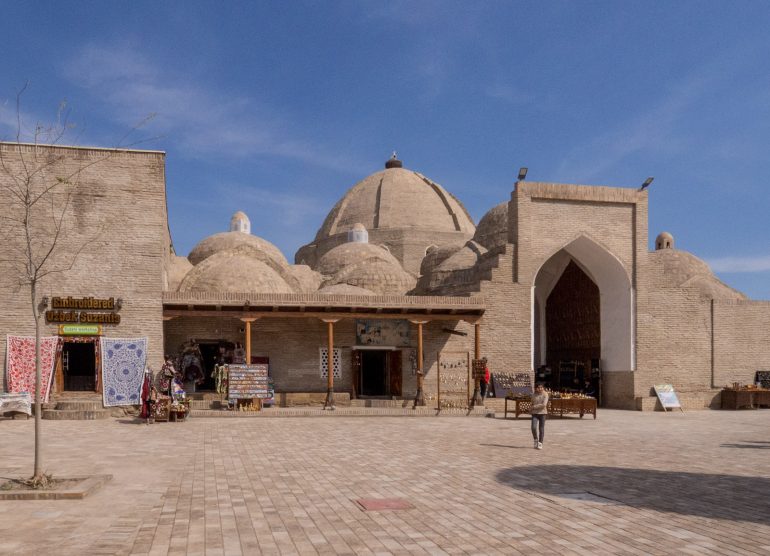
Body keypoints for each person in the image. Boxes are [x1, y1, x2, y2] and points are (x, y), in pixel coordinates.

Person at [530, 383, 549, 450]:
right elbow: (531, 403)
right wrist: (531, 409)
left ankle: (540, 443)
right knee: (533, 427)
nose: (540, 389)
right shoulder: (533, 394)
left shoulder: (545, 394)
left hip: (543, 413)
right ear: (536, 388)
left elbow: (544, 405)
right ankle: (535, 439)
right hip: (534, 413)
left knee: (541, 429)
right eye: (539, 387)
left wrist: (534, 407)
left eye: (541, 387)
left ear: (543, 388)